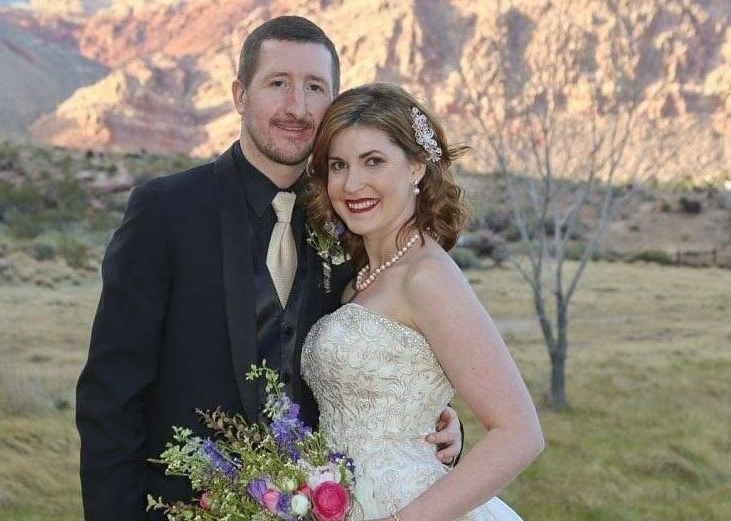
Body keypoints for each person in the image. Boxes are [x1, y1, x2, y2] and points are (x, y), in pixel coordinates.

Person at [75, 17, 462, 520]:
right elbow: (110, 396)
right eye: (278, 84)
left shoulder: (352, 218)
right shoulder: (166, 210)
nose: (297, 107)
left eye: (315, 88)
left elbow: (390, 358)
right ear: (240, 95)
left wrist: (435, 428)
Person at [302, 83, 544, 521]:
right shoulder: (358, 276)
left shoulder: (427, 276)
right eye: (338, 165)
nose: (352, 183)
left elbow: (520, 433)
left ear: (416, 166)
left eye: (373, 161)